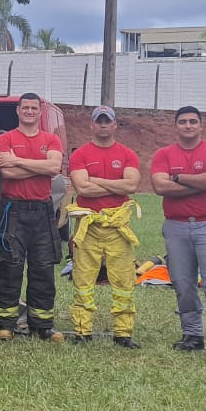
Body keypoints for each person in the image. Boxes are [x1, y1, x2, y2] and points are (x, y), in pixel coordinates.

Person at [149, 106, 206, 359]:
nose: (188, 126)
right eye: (183, 122)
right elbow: (159, 186)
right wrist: (200, 181)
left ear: (201, 125)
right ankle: (192, 335)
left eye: (192, 122)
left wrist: (177, 179)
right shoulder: (164, 154)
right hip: (176, 226)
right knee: (183, 283)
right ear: (175, 126)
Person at [0, 93, 65, 341]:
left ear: (39, 112)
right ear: (18, 111)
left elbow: (53, 169)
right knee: (10, 266)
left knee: (43, 268)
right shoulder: (6, 138)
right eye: (25, 108)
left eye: (34, 108)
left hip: (42, 210)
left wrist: (18, 160)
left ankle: (42, 325)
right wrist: (36, 166)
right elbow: (6, 172)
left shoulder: (51, 139)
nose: (30, 111)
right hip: (14, 210)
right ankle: (5, 323)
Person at [67, 105, 143, 348]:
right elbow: (83, 188)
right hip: (88, 227)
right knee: (83, 280)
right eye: (98, 121)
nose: (102, 125)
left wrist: (95, 180)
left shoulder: (128, 154)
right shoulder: (80, 155)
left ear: (114, 125)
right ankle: (82, 331)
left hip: (118, 228)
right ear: (91, 125)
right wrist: (116, 184)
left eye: (106, 121)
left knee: (123, 283)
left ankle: (123, 333)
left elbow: (131, 186)